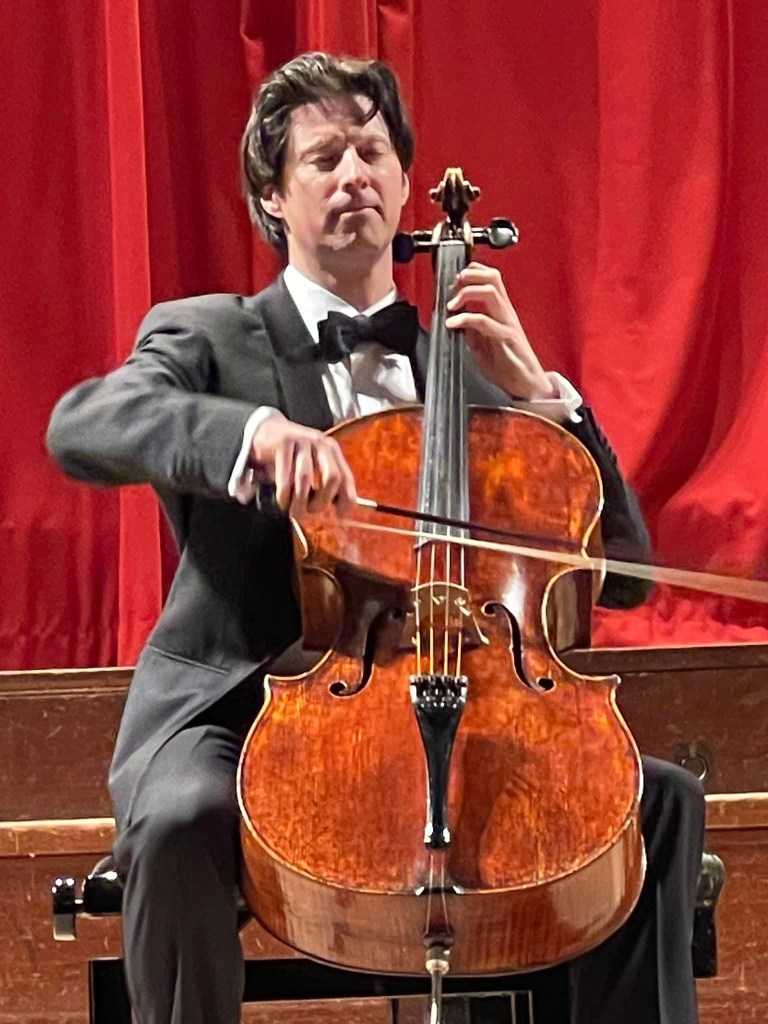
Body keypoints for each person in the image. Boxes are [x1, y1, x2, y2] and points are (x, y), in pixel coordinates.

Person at [46, 52, 705, 1024]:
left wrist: (542, 397)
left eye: (372, 153)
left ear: (404, 186)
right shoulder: (212, 335)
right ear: (274, 197)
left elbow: (626, 576)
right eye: (324, 158)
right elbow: (85, 424)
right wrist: (251, 433)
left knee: (654, 804)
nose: (353, 174)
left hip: (457, 697)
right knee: (180, 817)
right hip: (245, 704)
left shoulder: (471, 376)